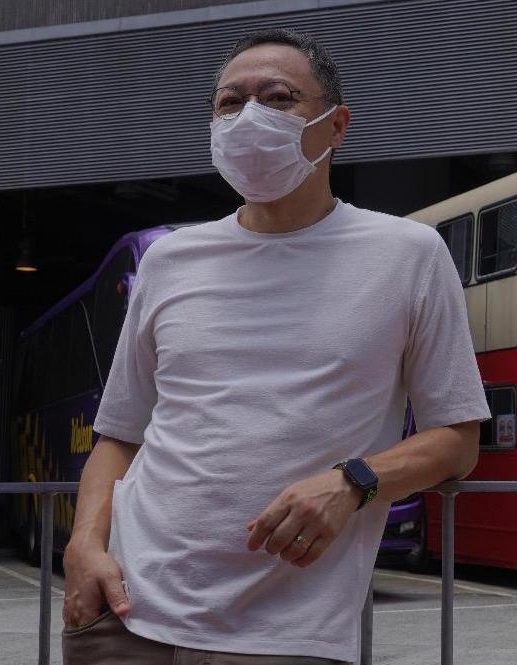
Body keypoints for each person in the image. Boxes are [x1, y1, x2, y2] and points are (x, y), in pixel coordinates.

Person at [61, 28, 489, 664]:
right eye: (229, 103)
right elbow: (120, 437)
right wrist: (85, 546)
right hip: (124, 611)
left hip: (289, 632)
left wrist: (354, 482)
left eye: (278, 98)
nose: (247, 117)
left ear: (335, 126)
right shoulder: (170, 260)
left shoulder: (408, 254)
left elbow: (458, 440)